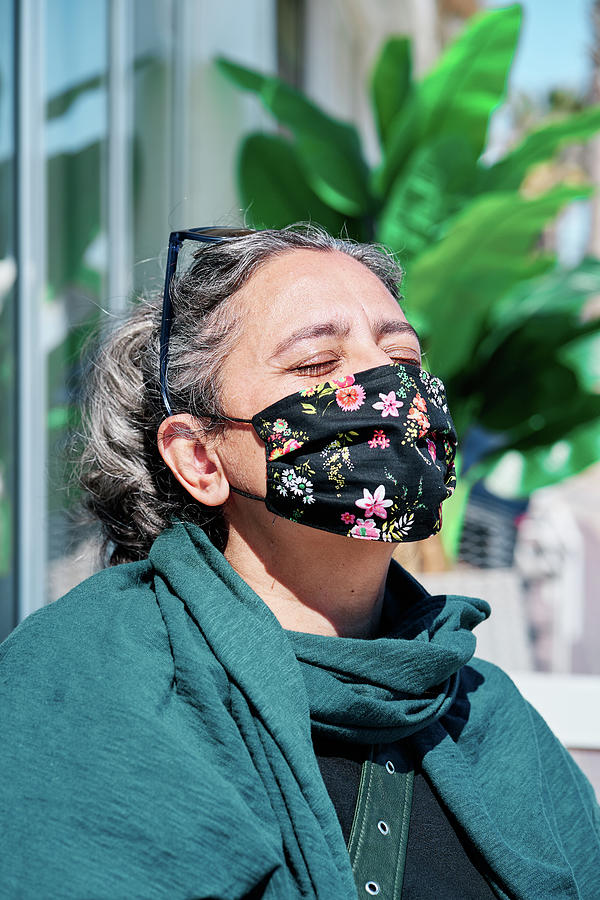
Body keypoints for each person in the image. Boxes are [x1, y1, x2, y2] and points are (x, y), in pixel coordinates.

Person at [1, 225, 599, 900]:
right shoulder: (86, 680)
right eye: (317, 365)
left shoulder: (484, 712)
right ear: (200, 458)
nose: (387, 391)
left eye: (403, 360)